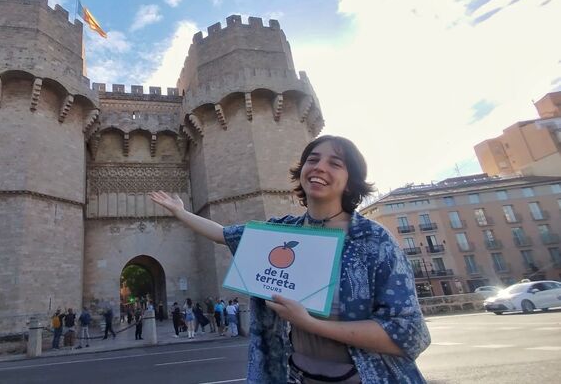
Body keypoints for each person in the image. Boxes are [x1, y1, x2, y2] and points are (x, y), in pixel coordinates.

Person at [150, 135, 430, 383]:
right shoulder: (281, 232)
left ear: (350, 182)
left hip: (365, 376)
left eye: (335, 163)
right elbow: (224, 235)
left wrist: (310, 323)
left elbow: (408, 331)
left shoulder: (373, 241)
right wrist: (180, 212)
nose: (320, 167)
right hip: (292, 375)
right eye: (313, 159)